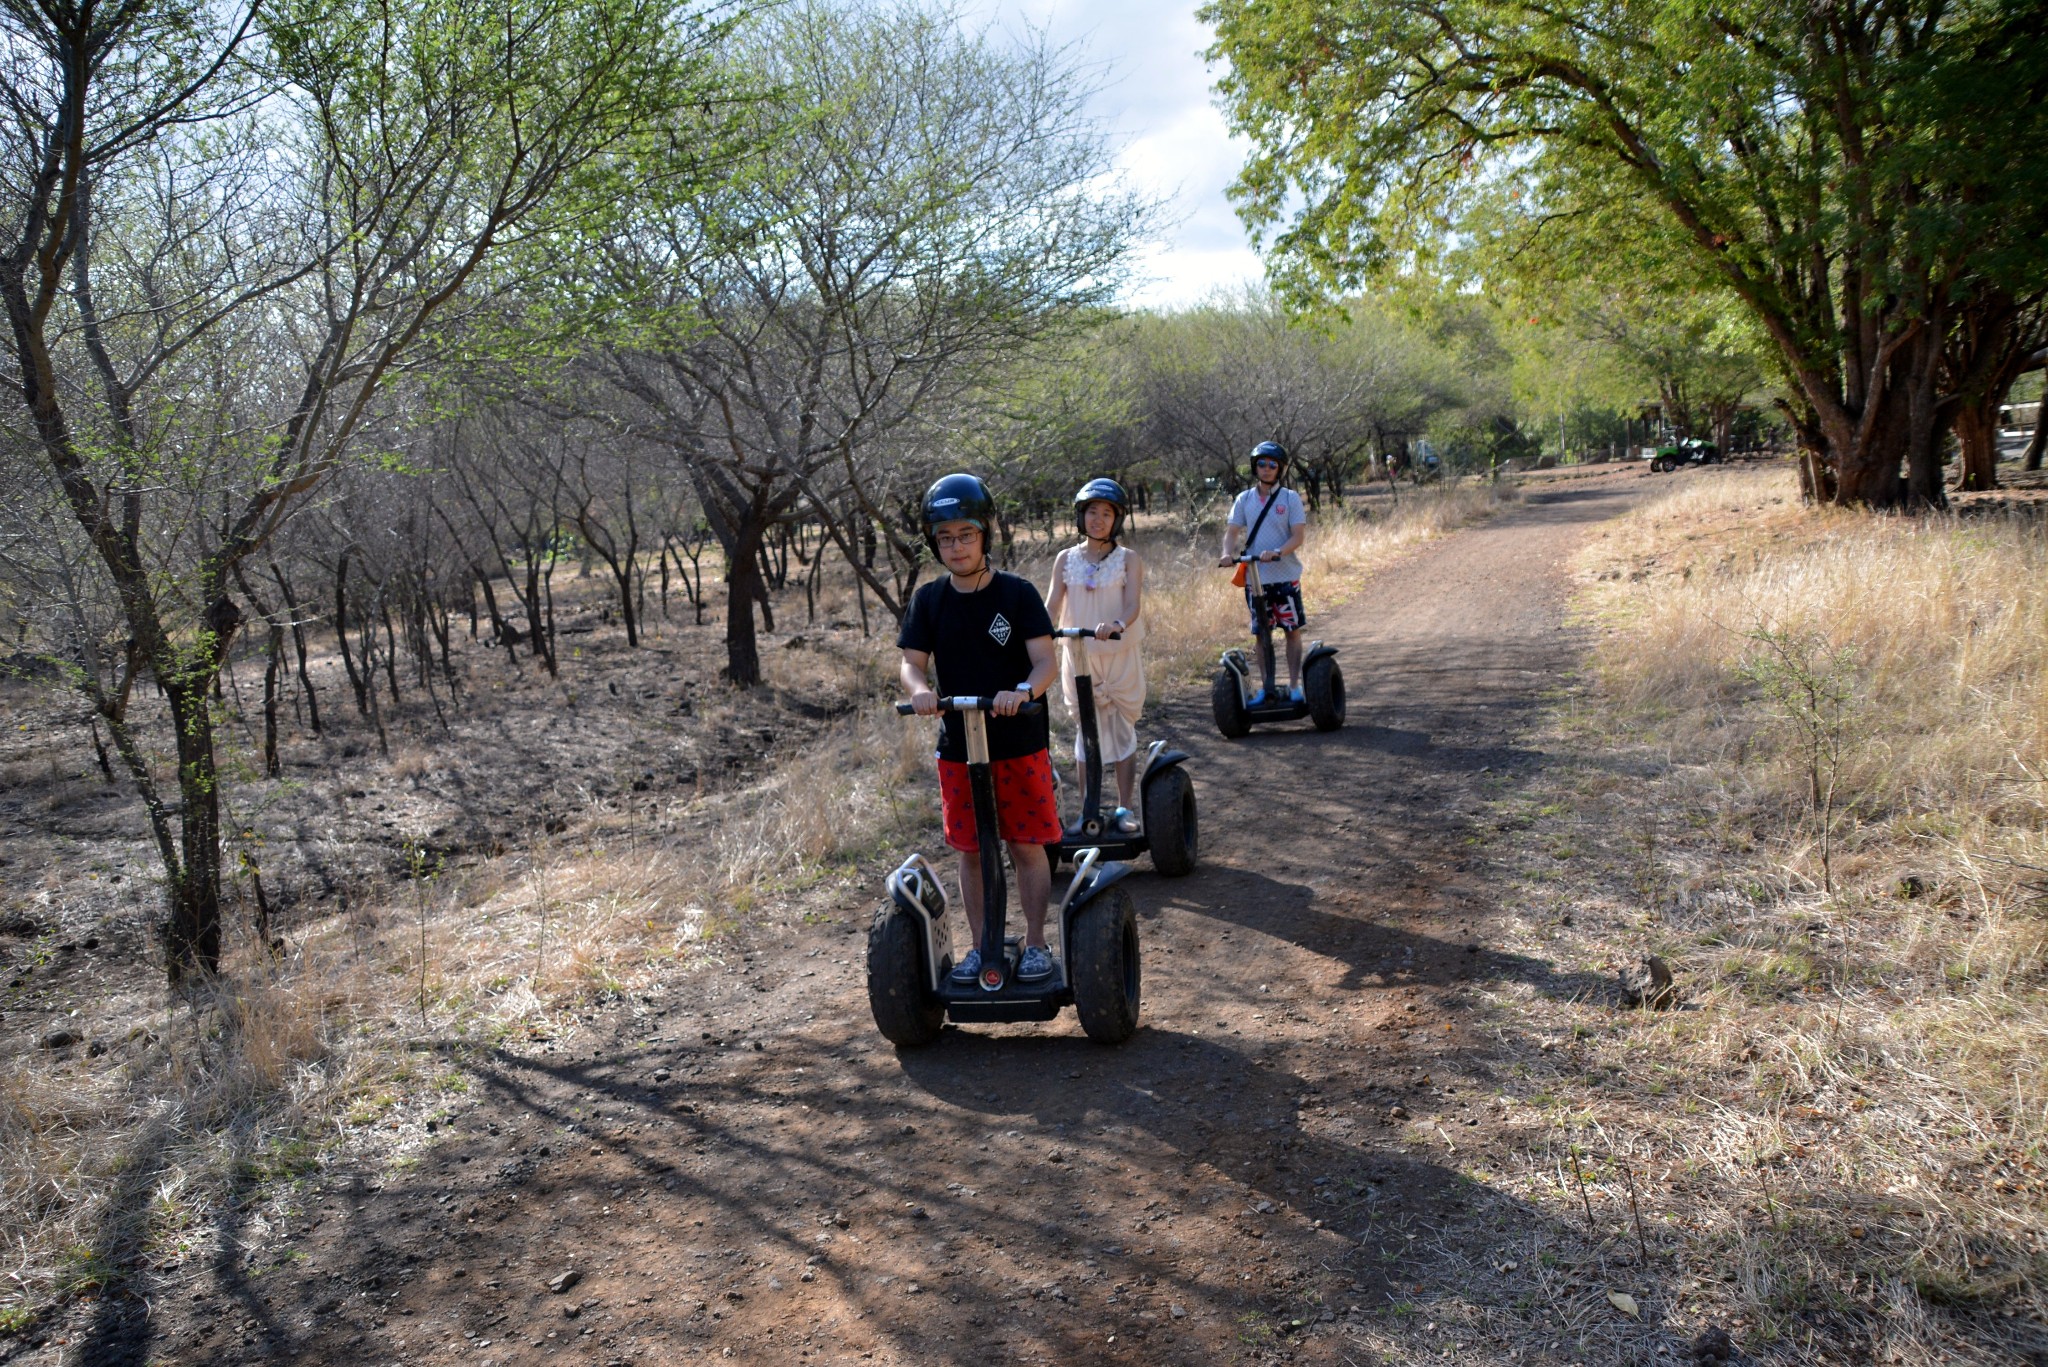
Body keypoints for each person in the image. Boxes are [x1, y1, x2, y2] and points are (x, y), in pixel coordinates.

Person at [898, 473, 1062, 983]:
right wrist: (919, 690)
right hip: (958, 746)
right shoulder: (929, 601)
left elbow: (1044, 663)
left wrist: (1023, 692)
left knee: (1024, 845)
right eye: (945, 538)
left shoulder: (1017, 594)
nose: (956, 546)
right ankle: (980, 947)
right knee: (969, 849)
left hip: (1017, 741)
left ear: (984, 536)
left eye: (965, 535)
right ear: (934, 543)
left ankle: (1035, 943)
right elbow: (911, 664)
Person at [1045, 477, 1147, 834]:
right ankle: (1087, 811)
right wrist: (1039, 630)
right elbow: (1053, 604)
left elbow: (1133, 603)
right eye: (1092, 512)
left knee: (1120, 729)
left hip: (1118, 654)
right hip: (1079, 652)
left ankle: (1124, 807)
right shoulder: (1065, 559)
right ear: (1081, 516)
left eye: (1106, 513)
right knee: (1085, 732)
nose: (1098, 519)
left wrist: (1117, 622)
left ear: (1116, 520)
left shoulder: (1129, 559)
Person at [1217, 440, 1309, 705]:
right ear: (1255, 467)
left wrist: (1279, 551)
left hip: (1284, 575)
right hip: (1256, 579)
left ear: (1279, 468)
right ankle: (1266, 687)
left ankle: (1293, 686)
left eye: (1272, 465)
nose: (1267, 469)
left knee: (1291, 629)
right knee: (1261, 633)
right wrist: (1226, 553)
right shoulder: (1244, 499)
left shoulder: (1290, 498)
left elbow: (1298, 536)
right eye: (1262, 464)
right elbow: (1232, 530)